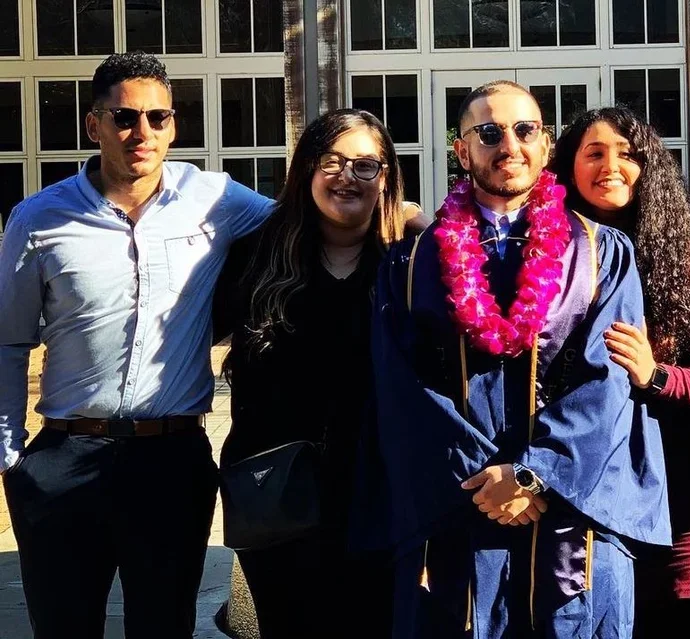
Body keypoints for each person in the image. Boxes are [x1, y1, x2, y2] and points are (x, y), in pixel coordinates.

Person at [364, 80, 672, 638]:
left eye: (524, 129)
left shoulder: (603, 253)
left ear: (546, 143)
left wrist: (534, 474)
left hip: (571, 512)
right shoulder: (410, 265)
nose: (509, 145)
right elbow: (403, 387)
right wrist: (486, 480)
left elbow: (606, 381)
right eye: (488, 132)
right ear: (462, 151)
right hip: (457, 506)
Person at [0, 52, 274, 638]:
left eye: (158, 117)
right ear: (93, 124)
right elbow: (8, 340)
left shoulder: (215, 199)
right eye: (124, 117)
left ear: (174, 124)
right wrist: (10, 456)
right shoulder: (38, 218)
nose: (141, 133)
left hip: (171, 462)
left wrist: (403, 214)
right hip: (64, 458)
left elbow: (311, 218)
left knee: (165, 626)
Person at [211, 108, 408, 638]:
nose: (347, 176)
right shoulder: (257, 254)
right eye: (332, 161)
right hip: (277, 493)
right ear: (306, 170)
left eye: (366, 165)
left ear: (386, 177)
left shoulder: (409, 262)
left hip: (378, 492)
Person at [551, 107, 690, 636]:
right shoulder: (554, 255)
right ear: (569, 166)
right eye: (594, 152)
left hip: (680, 496)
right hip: (590, 494)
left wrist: (656, 375)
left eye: (627, 154)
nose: (611, 165)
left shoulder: (684, 259)